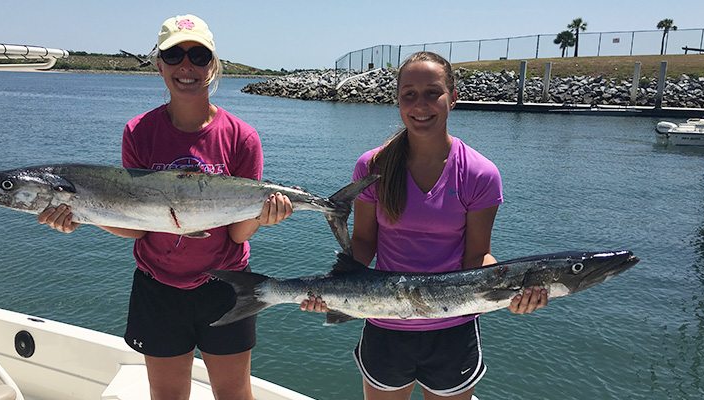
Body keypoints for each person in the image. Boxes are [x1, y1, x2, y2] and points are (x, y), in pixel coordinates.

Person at [37, 14, 292, 400]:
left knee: (234, 393)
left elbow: (238, 234)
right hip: (158, 287)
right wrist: (83, 215)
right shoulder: (139, 131)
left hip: (228, 284)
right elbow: (138, 225)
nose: (186, 66)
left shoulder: (242, 138)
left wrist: (262, 215)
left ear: (214, 64)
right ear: (158, 64)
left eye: (198, 55)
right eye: (173, 55)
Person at [301, 51, 548, 400]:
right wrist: (332, 290)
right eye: (409, 94)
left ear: (453, 97)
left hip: (454, 328)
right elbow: (364, 242)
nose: (421, 105)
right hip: (384, 322)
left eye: (433, 92)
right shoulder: (372, 166)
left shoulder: (480, 173)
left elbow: (477, 255)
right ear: (398, 101)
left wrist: (514, 291)